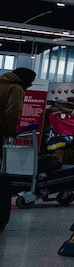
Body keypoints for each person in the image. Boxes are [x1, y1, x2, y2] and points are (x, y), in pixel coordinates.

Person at [1, 67, 38, 232]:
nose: (29, 86)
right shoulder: (16, 88)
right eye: (29, 83)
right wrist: (10, 130)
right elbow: (12, 111)